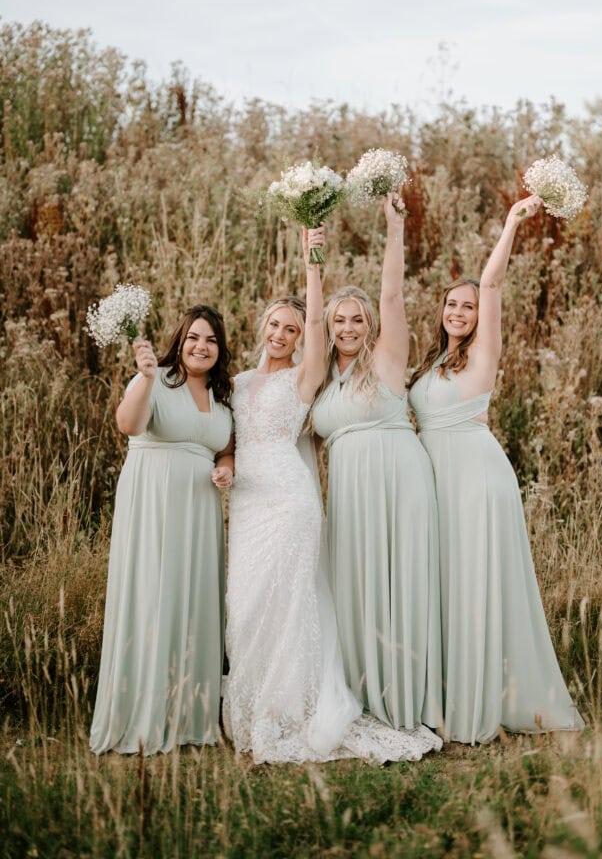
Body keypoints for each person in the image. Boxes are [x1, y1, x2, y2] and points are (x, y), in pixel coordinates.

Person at [222, 225, 441, 763]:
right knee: (248, 602)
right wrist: (225, 462)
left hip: (297, 500)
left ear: (304, 337)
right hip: (251, 503)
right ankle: (257, 700)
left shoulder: (308, 374)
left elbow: (375, 304)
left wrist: (312, 262)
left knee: (295, 600)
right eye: (275, 324)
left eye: (292, 328)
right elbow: (230, 437)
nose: (281, 333)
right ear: (262, 326)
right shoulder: (241, 382)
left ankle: (299, 702)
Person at [408, 195, 585, 744]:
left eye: (468, 307)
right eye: (451, 305)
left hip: (476, 479)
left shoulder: (485, 351)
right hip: (437, 481)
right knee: (447, 585)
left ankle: (483, 701)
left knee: (475, 583)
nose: (459, 313)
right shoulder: (434, 361)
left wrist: (511, 222)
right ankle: (445, 694)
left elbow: (492, 283)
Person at [311, 196, 443, 732]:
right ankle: (363, 690)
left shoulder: (388, 359)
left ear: (370, 324)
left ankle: (409, 695)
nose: (348, 328)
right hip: (348, 492)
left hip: (398, 477)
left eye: (357, 319)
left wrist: (394, 228)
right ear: (328, 326)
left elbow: (391, 293)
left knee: (400, 581)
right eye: (339, 320)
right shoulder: (322, 380)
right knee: (356, 587)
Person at [90, 305, 234, 754]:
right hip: (152, 503)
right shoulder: (155, 378)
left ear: (220, 349)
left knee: (193, 599)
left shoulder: (222, 394)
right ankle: (140, 713)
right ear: (180, 340)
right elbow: (128, 424)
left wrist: (227, 468)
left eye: (211, 340)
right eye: (194, 337)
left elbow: (225, 447)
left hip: (200, 512)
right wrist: (147, 377)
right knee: (152, 596)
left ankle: (189, 715)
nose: (201, 347)